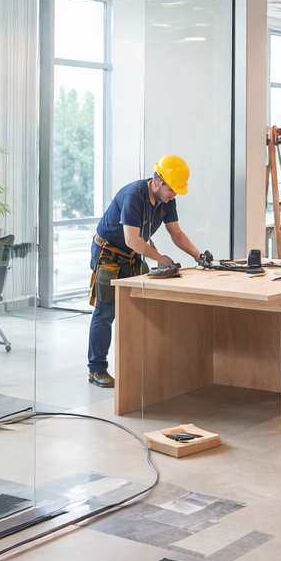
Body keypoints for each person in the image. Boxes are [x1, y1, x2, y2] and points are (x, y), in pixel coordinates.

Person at [86, 157, 202, 388]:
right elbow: (131, 238)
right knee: (106, 311)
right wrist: (159, 258)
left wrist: (198, 256)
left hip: (133, 252)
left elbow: (176, 233)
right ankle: (96, 369)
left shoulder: (167, 201)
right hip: (109, 253)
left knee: (139, 308)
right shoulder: (133, 196)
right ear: (158, 181)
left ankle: (137, 364)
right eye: (171, 189)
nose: (174, 194)